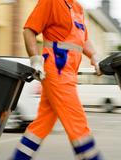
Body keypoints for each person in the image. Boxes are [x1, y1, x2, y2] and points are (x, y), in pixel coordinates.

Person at [12, 0, 103, 159]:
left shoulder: (77, 7)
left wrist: (94, 56)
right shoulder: (51, 1)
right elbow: (29, 30)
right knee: (76, 121)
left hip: (69, 71)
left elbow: (84, 38)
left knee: (42, 124)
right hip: (57, 68)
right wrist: (35, 60)